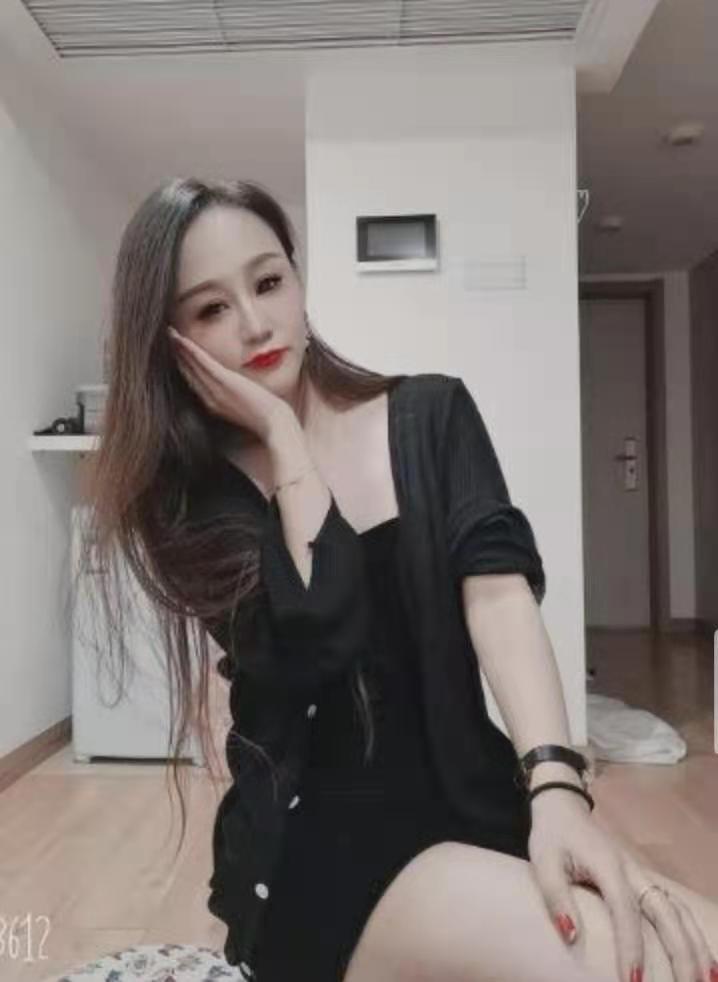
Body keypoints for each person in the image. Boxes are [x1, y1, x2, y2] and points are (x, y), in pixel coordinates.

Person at [83, 177, 718, 982]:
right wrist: (285, 439)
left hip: (475, 796)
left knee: (695, 939)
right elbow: (319, 635)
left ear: (297, 278)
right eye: (211, 309)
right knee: (644, 965)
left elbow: (498, 598)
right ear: (172, 343)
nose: (254, 323)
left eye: (268, 282)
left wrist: (556, 789)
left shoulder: (432, 414)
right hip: (329, 852)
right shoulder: (189, 502)